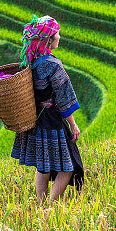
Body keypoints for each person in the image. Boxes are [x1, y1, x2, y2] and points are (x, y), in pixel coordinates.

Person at [11, 15, 84, 206]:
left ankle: (40, 205)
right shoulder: (53, 65)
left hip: (35, 121)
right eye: (56, 34)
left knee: (43, 167)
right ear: (49, 40)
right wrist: (74, 125)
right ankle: (50, 207)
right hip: (52, 121)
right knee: (68, 167)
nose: (59, 36)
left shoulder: (29, 63)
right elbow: (64, 98)